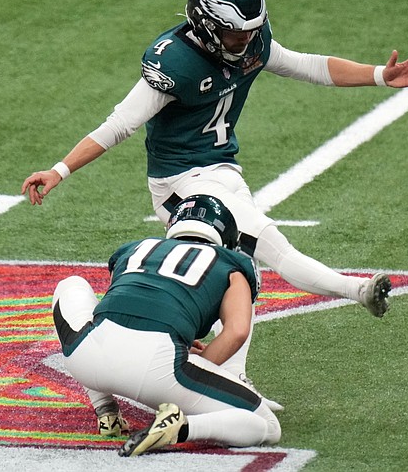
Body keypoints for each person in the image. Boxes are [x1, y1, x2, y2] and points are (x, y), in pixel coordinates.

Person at [23, 0, 408, 406]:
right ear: (206, 23)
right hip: (181, 183)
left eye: (249, 31)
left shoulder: (250, 41)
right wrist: (59, 169)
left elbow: (307, 65)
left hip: (221, 170)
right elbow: (119, 125)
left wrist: (379, 75)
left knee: (238, 272)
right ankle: (355, 291)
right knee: (267, 249)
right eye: (237, 34)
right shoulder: (175, 62)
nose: (246, 42)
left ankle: (230, 376)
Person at [52, 195, 281, 455]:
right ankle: (181, 428)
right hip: (158, 370)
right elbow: (237, 331)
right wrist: (199, 363)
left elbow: (122, 305)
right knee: (268, 426)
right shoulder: (231, 265)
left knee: (70, 284)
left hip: (87, 358)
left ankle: (105, 408)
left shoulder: (136, 249)